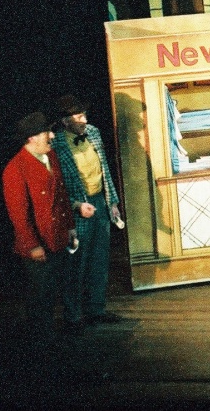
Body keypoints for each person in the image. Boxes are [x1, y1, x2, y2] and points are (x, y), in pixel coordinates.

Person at [52, 94, 123, 331]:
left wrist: (112, 201)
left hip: (99, 202)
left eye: (85, 115)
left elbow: (104, 169)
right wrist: (75, 205)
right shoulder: (56, 143)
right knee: (76, 263)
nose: (84, 120)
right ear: (65, 121)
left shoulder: (93, 133)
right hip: (76, 208)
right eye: (79, 117)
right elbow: (56, 185)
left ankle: (96, 309)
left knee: (99, 259)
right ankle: (73, 316)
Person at [2, 111, 76, 337]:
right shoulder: (15, 169)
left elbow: (62, 196)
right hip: (39, 245)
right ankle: (41, 340)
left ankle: (60, 332)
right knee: (41, 296)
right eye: (47, 132)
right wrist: (33, 245)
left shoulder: (50, 157)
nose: (52, 136)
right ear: (32, 137)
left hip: (58, 237)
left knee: (60, 287)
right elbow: (19, 215)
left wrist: (70, 226)